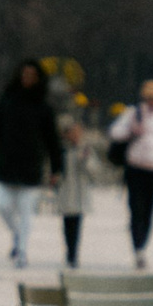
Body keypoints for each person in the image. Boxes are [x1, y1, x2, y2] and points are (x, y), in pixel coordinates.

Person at [0, 58, 63, 267]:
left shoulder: (44, 107)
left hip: (31, 165)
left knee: (27, 211)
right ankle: (17, 235)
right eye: (24, 75)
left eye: (32, 76)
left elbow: (52, 140)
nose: (27, 79)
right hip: (7, 163)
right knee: (2, 206)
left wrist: (56, 168)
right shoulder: (6, 101)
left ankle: (23, 252)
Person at [107, 78, 153, 266]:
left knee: (149, 211)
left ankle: (142, 245)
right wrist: (131, 131)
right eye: (149, 98)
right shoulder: (134, 113)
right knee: (136, 209)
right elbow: (114, 132)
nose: (152, 102)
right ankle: (137, 246)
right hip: (135, 167)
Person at [56, 107, 95, 271]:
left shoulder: (85, 150)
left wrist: (85, 159)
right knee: (67, 225)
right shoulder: (61, 150)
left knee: (77, 224)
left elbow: (94, 171)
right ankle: (69, 251)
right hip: (66, 192)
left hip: (80, 193)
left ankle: (73, 254)